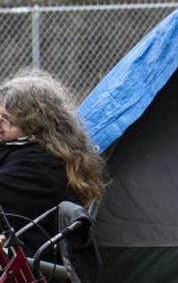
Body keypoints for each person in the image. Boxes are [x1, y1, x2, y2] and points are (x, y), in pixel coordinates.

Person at [0, 71, 106, 242]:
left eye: (8, 121)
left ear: (35, 125)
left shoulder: (38, 164)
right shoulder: (46, 153)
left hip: (30, 253)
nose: (1, 127)